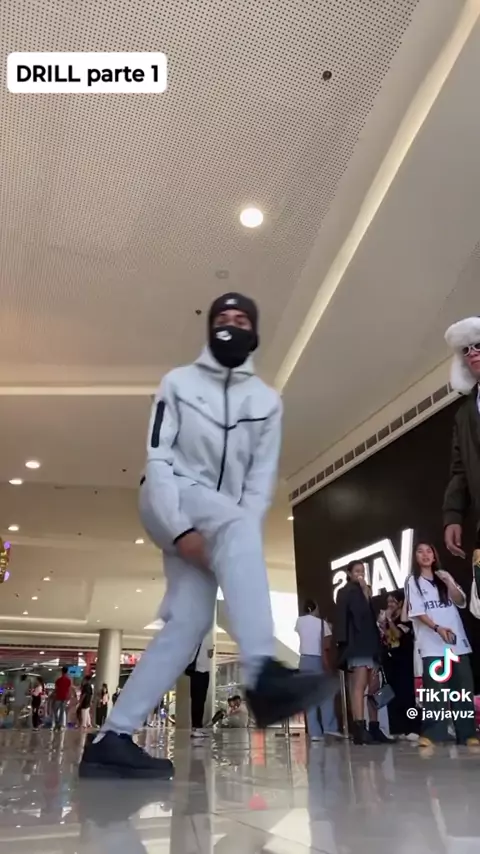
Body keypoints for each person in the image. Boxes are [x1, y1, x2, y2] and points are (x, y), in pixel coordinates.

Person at [80, 292, 331, 779]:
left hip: (218, 520)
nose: (231, 325)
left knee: (190, 624)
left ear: (253, 333)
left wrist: (232, 542)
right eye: (222, 318)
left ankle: (112, 738)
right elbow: (158, 459)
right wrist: (179, 529)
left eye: (241, 320)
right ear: (210, 328)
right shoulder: (179, 383)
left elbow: (258, 485)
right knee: (235, 523)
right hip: (168, 493)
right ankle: (262, 675)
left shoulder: (265, 403)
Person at [406, 542, 478, 747]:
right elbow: (417, 612)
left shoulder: (443, 576)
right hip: (432, 645)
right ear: (415, 557)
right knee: (435, 691)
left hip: (457, 643)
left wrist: (449, 583)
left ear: (434, 555)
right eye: (420, 551)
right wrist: (437, 628)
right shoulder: (413, 581)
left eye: (429, 551)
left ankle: (467, 733)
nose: (425, 555)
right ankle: (433, 733)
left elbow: (460, 601)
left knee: (462, 689)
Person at [335, 561, 390, 745]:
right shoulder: (345, 592)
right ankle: (359, 728)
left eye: (363, 571)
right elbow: (351, 616)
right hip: (357, 644)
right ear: (349, 573)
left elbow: (370, 618)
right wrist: (343, 647)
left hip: (371, 644)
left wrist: (367, 593)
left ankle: (374, 727)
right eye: (357, 571)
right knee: (359, 685)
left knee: (374, 686)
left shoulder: (365, 591)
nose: (361, 574)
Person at [443, 316, 480, 559]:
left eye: (478, 345)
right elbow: (460, 471)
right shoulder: (464, 414)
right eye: (466, 350)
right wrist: (453, 515)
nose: (472, 353)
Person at [378, 592, 419, 741]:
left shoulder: (405, 619)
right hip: (390, 662)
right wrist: (382, 625)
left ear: (400, 603)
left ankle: (412, 728)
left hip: (404, 662)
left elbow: (398, 634)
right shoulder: (389, 620)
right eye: (388, 602)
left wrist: (389, 620)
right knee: (393, 696)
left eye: (393, 602)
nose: (389, 605)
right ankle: (398, 728)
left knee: (406, 695)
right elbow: (387, 639)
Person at [295, 600, 339, 740]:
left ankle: (314, 732)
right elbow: (327, 644)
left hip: (304, 661)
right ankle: (329, 728)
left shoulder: (299, 621)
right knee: (326, 695)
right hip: (318, 660)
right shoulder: (322, 623)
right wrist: (329, 627)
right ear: (315, 608)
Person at [187, 635, 214, 739]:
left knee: (195, 701)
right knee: (200, 701)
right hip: (203, 672)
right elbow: (210, 654)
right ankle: (197, 728)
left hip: (194, 671)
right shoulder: (207, 636)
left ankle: (195, 728)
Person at [53, 666, 72, 731]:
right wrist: (69, 696)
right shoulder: (68, 681)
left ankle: (57, 722)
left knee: (55, 710)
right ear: (67, 672)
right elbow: (69, 689)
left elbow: (56, 689)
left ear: (62, 671)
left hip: (58, 697)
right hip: (65, 697)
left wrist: (52, 695)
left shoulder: (58, 680)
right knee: (62, 711)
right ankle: (59, 724)